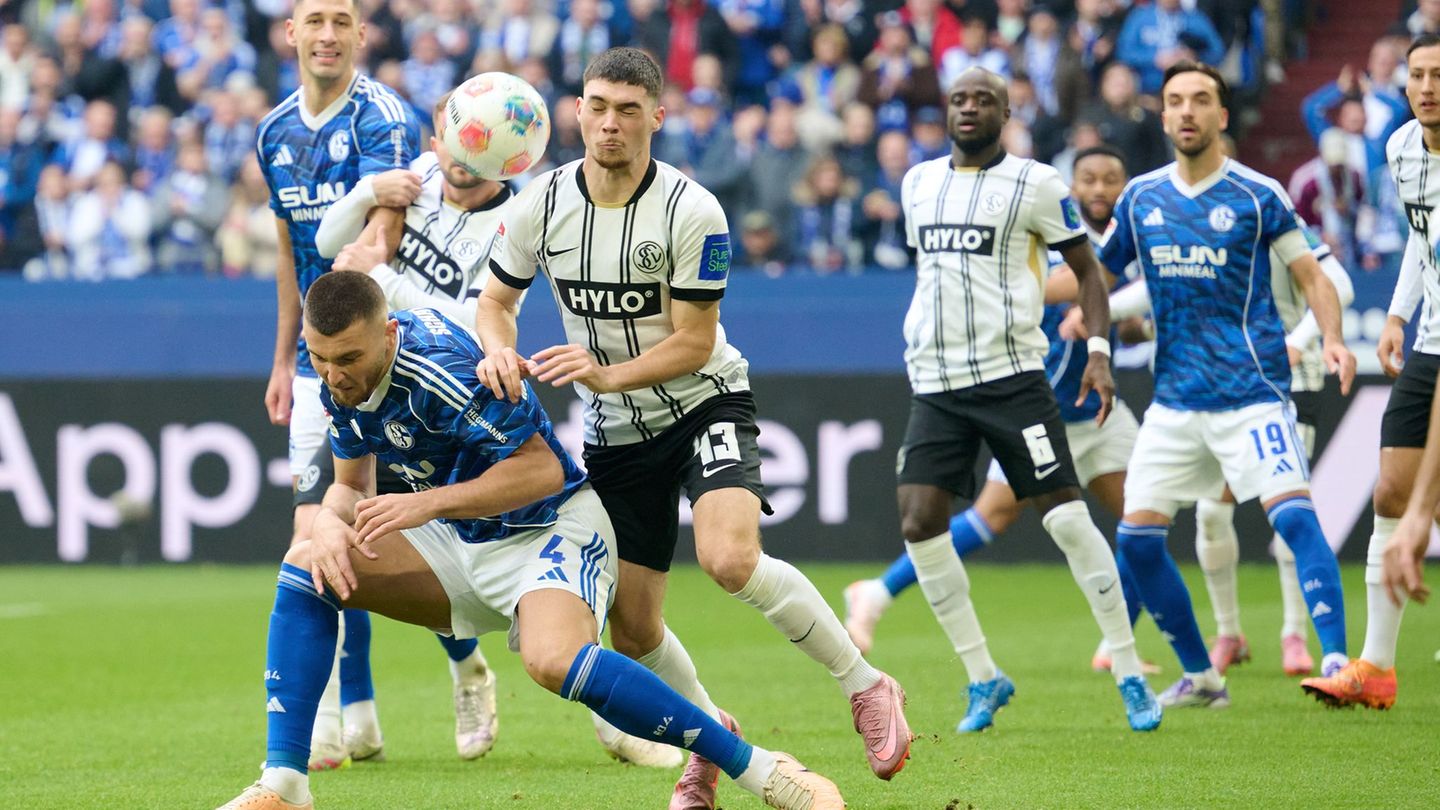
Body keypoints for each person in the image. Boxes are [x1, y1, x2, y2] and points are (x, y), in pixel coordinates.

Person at [214, 272, 843, 810]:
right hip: (457, 543)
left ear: (386, 334)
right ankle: (286, 783)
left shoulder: (443, 371)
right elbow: (350, 485)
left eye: (346, 359)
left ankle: (759, 767)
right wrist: (328, 520)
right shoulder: (339, 378)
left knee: (551, 661)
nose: (333, 374)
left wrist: (425, 503)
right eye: (319, 358)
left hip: (550, 526)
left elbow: (541, 469)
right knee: (307, 566)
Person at [475, 48, 909, 809]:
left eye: (628, 110)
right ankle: (708, 738)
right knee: (634, 631)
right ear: (578, 109)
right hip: (617, 435)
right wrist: (498, 351)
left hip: (705, 401)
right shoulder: (538, 205)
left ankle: (866, 686)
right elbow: (495, 301)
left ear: (657, 118)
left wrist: (605, 372)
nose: (610, 123)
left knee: (730, 559)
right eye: (598, 105)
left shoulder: (692, 209)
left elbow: (695, 340)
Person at [311, 89, 679, 768]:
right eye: (452, 141)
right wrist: (369, 192)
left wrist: (381, 277)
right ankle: (448, 679)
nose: (458, 157)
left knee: (483, 537)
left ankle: (610, 704)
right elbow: (331, 249)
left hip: (457, 397)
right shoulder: (412, 184)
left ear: (507, 158)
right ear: (440, 137)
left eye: (475, 149)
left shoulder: (518, 216)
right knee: (366, 536)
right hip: (386, 384)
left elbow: (468, 322)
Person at [891, 67, 1162, 735]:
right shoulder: (918, 183)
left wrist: (1099, 354)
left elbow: (1090, 274)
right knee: (920, 520)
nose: (968, 108)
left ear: (1007, 112)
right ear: (946, 109)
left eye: (983, 100)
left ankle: (1128, 668)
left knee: (1067, 521)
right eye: (958, 98)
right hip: (936, 382)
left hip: (1012, 377)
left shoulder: (1037, 184)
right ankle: (984, 676)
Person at [1096, 61, 1357, 709]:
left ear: (1220, 116)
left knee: (1294, 518)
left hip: (1253, 395)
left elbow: (1315, 277)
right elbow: (1095, 279)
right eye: (1176, 101)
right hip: (1175, 402)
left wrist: (1329, 337)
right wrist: (1092, 336)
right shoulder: (1140, 197)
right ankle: (1204, 675)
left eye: (1201, 100)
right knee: (1136, 541)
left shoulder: (1258, 193)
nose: (1187, 111)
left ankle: (1337, 661)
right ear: (1163, 116)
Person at [254, 0, 444, 770]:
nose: (327, 34)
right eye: (314, 20)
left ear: (362, 35)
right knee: (319, 530)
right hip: (311, 362)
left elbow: (384, 233)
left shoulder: (385, 118)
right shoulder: (272, 132)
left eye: (342, 19)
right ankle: (343, 717)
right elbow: (286, 249)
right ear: (289, 32)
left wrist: (359, 261)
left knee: (401, 529)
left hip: (387, 354)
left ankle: (465, 666)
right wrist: (280, 358)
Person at [1301, 34, 1440, 710]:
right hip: (1431, 341)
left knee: (1421, 499)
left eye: (1439, 74)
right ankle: (1376, 669)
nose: (1427, 87)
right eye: (1417, 75)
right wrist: (1395, 314)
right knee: (1392, 493)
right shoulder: (1403, 148)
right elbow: (1421, 234)